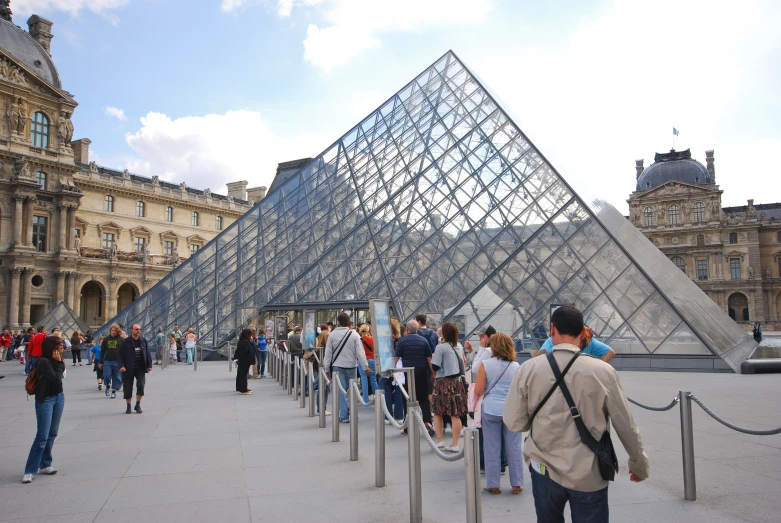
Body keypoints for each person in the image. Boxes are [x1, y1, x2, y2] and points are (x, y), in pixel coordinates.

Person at [503, 306, 649, 522]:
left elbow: (515, 423)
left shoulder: (528, 369)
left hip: (544, 470)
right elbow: (625, 424)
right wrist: (639, 464)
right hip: (589, 472)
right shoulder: (603, 371)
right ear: (583, 332)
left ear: (552, 330)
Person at [475, 333, 523, 494]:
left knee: (491, 447)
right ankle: (517, 484)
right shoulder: (516, 366)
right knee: (514, 447)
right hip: (511, 410)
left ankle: (493, 484)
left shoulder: (486, 364)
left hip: (490, 409)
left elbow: (479, 390)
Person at [22, 335, 66, 484]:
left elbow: (60, 376)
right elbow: (56, 378)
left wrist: (60, 363)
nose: (62, 346)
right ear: (51, 347)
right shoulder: (43, 362)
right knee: (42, 436)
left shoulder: (58, 360)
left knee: (52, 433)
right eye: (59, 344)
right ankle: (29, 470)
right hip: (45, 400)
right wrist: (59, 364)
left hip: (59, 397)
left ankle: (46, 463)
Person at [323, 313, 370, 423]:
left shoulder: (332, 335)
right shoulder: (354, 335)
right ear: (349, 322)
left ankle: (343, 415)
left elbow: (328, 353)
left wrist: (327, 369)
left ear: (338, 322)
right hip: (352, 366)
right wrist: (365, 367)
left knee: (341, 391)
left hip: (337, 366)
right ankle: (353, 413)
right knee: (352, 391)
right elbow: (361, 353)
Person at [431, 322, 468, 452]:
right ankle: (455, 443)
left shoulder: (440, 347)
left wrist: (434, 358)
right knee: (455, 413)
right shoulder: (459, 345)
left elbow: (435, 367)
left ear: (443, 334)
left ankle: (440, 440)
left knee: (437, 411)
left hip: (443, 382)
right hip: (457, 382)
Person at [395, 319, 435, 436]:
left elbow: (397, 357)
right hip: (421, 373)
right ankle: (427, 421)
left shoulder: (402, 341)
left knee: (407, 399)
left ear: (407, 329)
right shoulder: (423, 340)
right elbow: (429, 358)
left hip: (407, 373)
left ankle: (407, 425)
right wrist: (433, 373)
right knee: (423, 398)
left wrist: (395, 373)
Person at [118, 324, 153, 414]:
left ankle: (137, 404)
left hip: (140, 367)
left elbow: (147, 353)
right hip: (128, 368)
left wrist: (149, 365)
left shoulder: (143, 341)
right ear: (131, 330)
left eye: (140, 329)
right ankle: (128, 406)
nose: (139, 331)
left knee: (141, 385)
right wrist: (121, 366)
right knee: (128, 388)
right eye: (136, 329)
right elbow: (120, 355)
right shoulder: (125, 342)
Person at [540, 325, 615, 363]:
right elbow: (610, 352)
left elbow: (539, 360)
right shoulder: (588, 340)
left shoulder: (552, 340)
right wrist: (597, 368)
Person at [98, 324, 123, 398]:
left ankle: (113, 391)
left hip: (117, 361)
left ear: (118, 331)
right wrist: (100, 362)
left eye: (115, 331)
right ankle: (108, 385)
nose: (113, 332)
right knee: (106, 375)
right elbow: (102, 351)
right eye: (112, 330)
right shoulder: (106, 339)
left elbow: (124, 351)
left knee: (116, 377)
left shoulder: (121, 339)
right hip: (107, 361)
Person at [358, 324, 378, 403]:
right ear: (368, 330)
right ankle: (377, 397)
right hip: (371, 360)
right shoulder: (372, 339)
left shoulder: (359, 340)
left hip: (362, 360)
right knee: (373, 379)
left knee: (364, 379)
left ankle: (365, 399)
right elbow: (374, 350)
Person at [315, 328, 330, 414]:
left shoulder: (321, 348)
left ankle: (322, 408)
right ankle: (321, 408)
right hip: (323, 370)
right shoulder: (323, 348)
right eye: (327, 336)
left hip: (322, 370)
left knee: (325, 388)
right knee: (324, 388)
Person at [234, 329, 254, 395]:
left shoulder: (240, 341)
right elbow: (245, 351)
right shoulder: (246, 342)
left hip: (241, 360)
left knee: (240, 373)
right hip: (245, 360)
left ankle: (239, 387)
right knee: (244, 374)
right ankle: (243, 388)